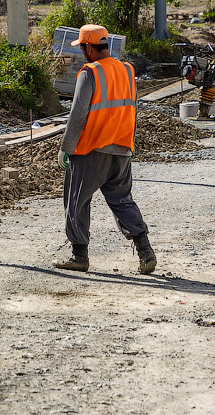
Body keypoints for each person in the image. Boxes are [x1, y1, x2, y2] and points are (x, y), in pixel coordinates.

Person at [54, 24, 156, 275]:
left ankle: (79, 256)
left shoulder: (90, 73)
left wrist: (66, 147)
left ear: (89, 47)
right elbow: (131, 109)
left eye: (82, 48)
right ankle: (145, 250)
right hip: (121, 148)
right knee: (122, 201)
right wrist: (129, 145)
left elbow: (78, 116)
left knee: (76, 201)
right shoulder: (127, 70)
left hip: (91, 149)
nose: (82, 54)